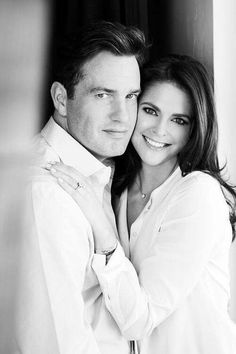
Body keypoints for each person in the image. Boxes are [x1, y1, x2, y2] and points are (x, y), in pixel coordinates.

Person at [48, 54, 236, 354]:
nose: (160, 130)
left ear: (194, 129)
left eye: (179, 120)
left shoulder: (198, 194)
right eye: (150, 110)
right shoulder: (119, 188)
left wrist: (103, 233)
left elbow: (139, 320)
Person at [23, 21, 147, 354]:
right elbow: (54, 343)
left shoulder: (97, 171)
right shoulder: (46, 194)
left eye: (131, 97)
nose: (123, 116)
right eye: (103, 95)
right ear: (61, 99)